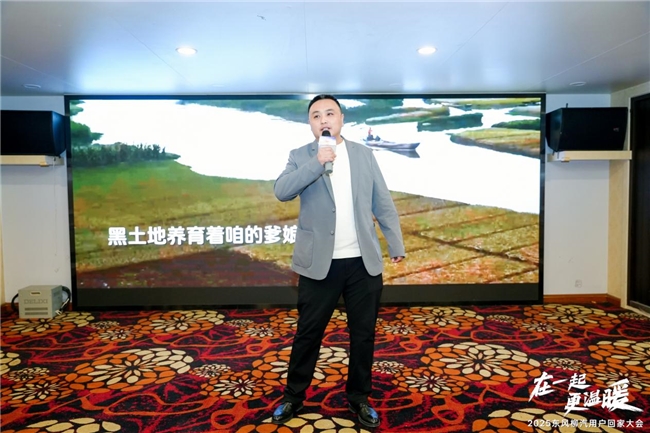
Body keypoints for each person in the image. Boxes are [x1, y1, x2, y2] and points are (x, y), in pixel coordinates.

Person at [271, 94, 405, 429]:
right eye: (316, 115)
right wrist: (317, 162)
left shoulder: (364, 154)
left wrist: (395, 242)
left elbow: (382, 201)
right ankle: (293, 396)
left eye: (330, 113)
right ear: (310, 123)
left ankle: (359, 398)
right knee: (308, 333)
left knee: (363, 335)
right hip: (319, 265)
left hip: (362, 263)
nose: (324, 120)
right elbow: (282, 191)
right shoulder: (300, 156)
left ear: (342, 119)